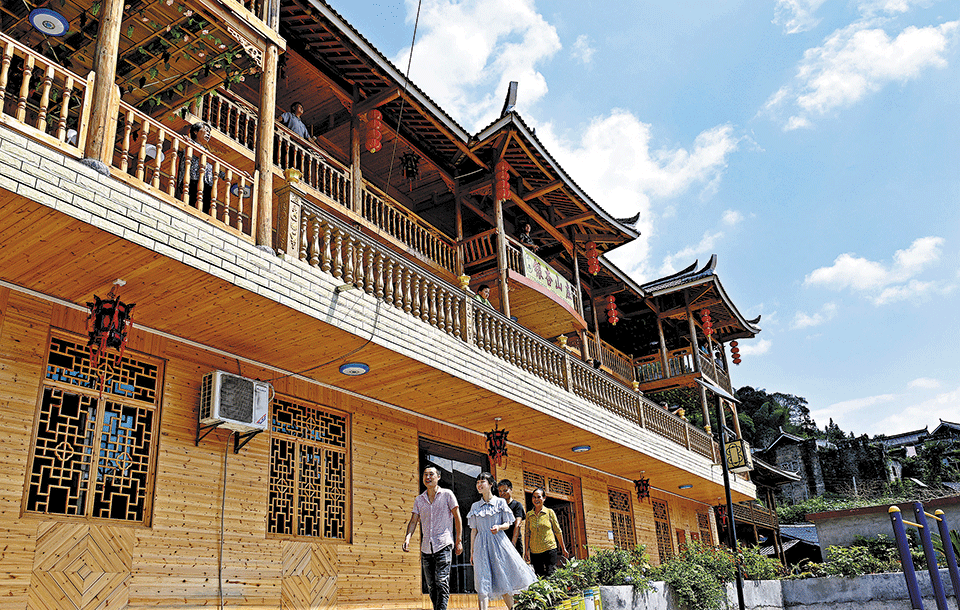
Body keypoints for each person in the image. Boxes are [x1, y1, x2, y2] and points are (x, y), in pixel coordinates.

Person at [468, 473, 536, 610]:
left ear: (491, 484)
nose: (479, 485)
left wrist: (499, 527)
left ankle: (512, 608)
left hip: (498, 543)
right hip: (481, 545)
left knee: (502, 577)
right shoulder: (475, 506)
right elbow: (473, 531)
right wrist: (472, 552)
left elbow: (508, 524)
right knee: (482, 581)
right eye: (477, 483)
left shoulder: (500, 502)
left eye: (482, 482)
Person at [402, 466, 463, 610]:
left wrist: (459, 540)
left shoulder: (447, 494)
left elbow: (457, 517)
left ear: (438, 477)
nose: (427, 477)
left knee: (441, 581)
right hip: (426, 547)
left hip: (443, 544)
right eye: (425, 474)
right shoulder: (419, 499)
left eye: (431, 474)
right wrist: (407, 538)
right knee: (431, 585)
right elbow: (413, 521)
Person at [524, 488, 569, 577]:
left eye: (539, 497)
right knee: (539, 576)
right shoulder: (529, 515)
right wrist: (526, 551)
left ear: (544, 498)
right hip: (535, 551)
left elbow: (557, 531)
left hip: (549, 548)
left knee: (550, 574)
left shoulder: (549, 512)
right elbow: (527, 534)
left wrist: (563, 548)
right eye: (534, 497)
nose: (536, 500)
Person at [176, 122, 214, 214]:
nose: (208, 134)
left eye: (210, 132)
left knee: (204, 210)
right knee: (190, 206)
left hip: (206, 184)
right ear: (195, 132)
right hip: (191, 180)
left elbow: (220, 172)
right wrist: (183, 141)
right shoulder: (188, 142)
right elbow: (179, 150)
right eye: (206, 130)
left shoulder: (208, 153)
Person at [498, 479, 525, 556]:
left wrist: (513, 544)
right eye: (500, 491)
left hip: (514, 544)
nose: (502, 493)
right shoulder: (499, 507)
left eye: (505, 490)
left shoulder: (517, 505)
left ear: (511, 490)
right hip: (502, 543)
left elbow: (517, 525)